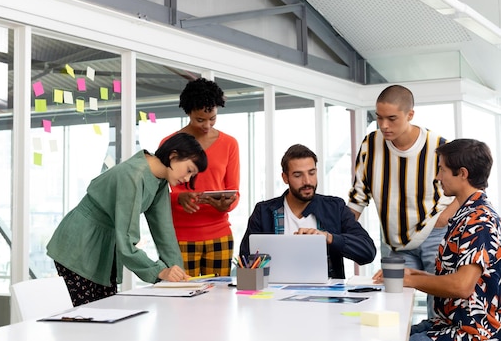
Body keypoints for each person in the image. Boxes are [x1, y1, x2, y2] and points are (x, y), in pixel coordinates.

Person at [46, 132, 208, 306]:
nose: (187, 179)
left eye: (192, 175)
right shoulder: (134, 175)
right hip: (79, 245)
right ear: (173, 155)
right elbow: (127, 241)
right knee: (87, 320)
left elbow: (165, 232)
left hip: (105, 247)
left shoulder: (160, 179)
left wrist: (180, 277)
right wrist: (160, 271)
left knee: (104, 315)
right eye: (189, 170)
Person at [374, 139, 501, 341]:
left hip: (470, 332)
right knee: (386, 333)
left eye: (442, 170)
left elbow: (461, 286)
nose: (437, 177)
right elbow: (457, 276)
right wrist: (415, 273)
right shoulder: (465, 215)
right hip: (448, 323)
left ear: (462, 173)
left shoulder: (480, 220)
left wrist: (408, 281)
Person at [348, 85, 457, 316]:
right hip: (394, 243)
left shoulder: (440, 145)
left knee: (439, 309)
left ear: (410, 115)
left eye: (392, 118)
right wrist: (339, 236)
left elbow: (465, 189)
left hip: (434, 237)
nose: (384, 125)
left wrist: (444, 218)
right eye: (379, 118)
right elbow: (358, 197)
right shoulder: (370, 144)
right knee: (392, 307)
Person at [240, 144, 376, 278]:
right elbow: (245, 264)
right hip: (274, 295)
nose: (307, 181)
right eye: (298, 175)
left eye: (312, 173)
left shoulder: (335, 208)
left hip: (326, 296)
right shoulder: (263, 212)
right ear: (285, 178)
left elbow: (368, 252)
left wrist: (328, 238)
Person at [160, 77, 240, 277]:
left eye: (212, 118)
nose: (207, 125)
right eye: (200, 119)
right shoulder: (169, 143)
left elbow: (234, 191)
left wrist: (226, 205)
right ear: (188, 112)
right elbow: (157, 194)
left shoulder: (230, 144)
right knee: (181, 300)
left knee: (219, 300)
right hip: (181, 236)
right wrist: (178, 197)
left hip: (219, 234)